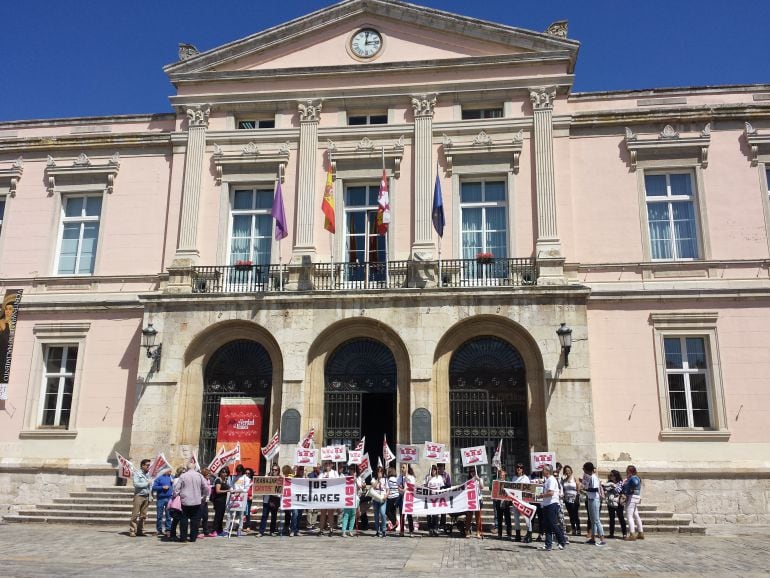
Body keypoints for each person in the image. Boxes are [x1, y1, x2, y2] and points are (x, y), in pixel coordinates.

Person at [176, 463, 209, 542]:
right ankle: (193, 537)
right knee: (195, 520)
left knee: (184, 520)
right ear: (194, 468)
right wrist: (204, 496)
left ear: (187, 468)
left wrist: (176, 495)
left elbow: (177, 488)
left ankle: (183, 538)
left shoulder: (183, 476)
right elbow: (206, 487)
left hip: (185, 501)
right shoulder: (199, 476)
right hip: (196, 501)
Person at [539, 464, 567, 551]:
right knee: (547, 525)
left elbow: (550, 493)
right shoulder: (547, 480)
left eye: (543, 469)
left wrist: (542, 496)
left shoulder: (551, 480)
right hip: (547, 504)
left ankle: (562, 541)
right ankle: (548, 544)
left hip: (552, 504)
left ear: (547, 471)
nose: (542, 471)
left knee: (553, 524)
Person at [582, 462, 606, 546]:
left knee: (596, 520)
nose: (583, 470)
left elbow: (595, 489)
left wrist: (586, 489)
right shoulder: (589, 477)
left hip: (595, 499)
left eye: (584, 468)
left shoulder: (593, 477)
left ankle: (602, 539)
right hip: (590, 498)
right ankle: (593, 538)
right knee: (592, 519)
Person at [129, 458, 152, 537]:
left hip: (146, 496)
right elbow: (136, 484)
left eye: (149, 465)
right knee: (135, 514)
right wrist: (146, 483)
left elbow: (150, 486)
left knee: (143, 515)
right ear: (142, 465)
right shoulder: (137, 474)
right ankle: (132, 530)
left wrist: (151, 495)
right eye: (147, 465)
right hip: (139, 496)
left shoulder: (148, 474)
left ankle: (140, 530)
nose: (149, 467)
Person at [622, 465, 644, 541]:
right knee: (636, 515)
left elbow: (634, 483)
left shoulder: (633, 478)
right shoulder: (637, 477)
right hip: (636, 497)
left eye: (627, 471)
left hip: (632, 497)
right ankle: (641, 532)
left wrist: (627, 484)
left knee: (629, 516)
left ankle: (632, 534)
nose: (626, 472)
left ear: (630, 471)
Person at [511, 463, 532, 543]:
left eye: (520, 467)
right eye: (517, 467)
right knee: (516, 519)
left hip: (524, 501)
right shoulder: (514, 478)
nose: (519, 469)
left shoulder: (526, 478)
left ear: (523, 469)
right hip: (515, 501)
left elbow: (528, 489)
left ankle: (529, 535)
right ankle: (518, 535)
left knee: (527, 519)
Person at [604, 469, 627, 539]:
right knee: (611, 518)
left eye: (611, 475)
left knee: (621, 517)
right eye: (609, 475)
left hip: (618, 502)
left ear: (615, 476)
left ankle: (624, 534)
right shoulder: (609, 482)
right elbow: (606, 489)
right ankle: (611, 533)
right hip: (611, 502)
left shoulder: (620, 482)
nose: (610, 476)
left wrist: (612, 486)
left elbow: (618, 490)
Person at [318, 461, 340, 536]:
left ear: (332, 465)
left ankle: (331, 529)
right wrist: (326, 475)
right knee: (323, 513)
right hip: (324, 496)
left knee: (331, 514)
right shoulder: (321, 474)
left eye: (329, 464)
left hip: (331, 495)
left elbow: (338, 482)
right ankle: (321, 530)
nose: (328, 465)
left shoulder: (335, 473)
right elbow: (317, 482)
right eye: (326, 464)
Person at [259, 464, 281, 536]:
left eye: (275, 470)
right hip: (266, 499)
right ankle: (261, 532)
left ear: (278, 471)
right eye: (273, 470)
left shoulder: (280, 479)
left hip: (275, 500)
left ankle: (272, 531)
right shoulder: (267, 477)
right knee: (264, 516)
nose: (274, 471)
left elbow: (280, 491)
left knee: (274, 516)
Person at [151, 467, 173, 537]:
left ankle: (168, 530)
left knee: (168, 515)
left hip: (169, 498)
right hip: (160, 499)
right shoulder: (159, 478)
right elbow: (154, 487)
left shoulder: (172, 478)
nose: (170, 472)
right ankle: (159, 530)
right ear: (165, 471)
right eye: (169, 470)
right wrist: (162, 487)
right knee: (159, 515)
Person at [464, 467, 484, 539]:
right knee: (469, 516)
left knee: (477, 517)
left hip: (478, 500)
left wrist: (478, 480)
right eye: (471, 471)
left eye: (474, 471)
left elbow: (482, 487)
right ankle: (467, 531)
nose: (472, 473)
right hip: (471, 500)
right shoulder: (468, 480)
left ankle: (478, 532)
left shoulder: (479, 479)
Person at [340, 464, 360, 537]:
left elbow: (359, 488)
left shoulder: (358, 478)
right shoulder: (346, 477)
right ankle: (344, 531)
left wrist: (356, 480)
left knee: (353, 515)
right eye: (350, 469)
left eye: (353, 469)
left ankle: (350, 530)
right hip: (348, 498)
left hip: (355, 498)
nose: (351, 471)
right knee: (346, 515)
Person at [561, 465, 581, 536]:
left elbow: (578, 487)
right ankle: (573, 528)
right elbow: (563, 489)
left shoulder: (575, 478)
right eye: (566, 471)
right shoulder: (564, 480)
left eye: (568, 470)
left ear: (571, 470)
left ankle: (578, 528)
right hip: (567, 499)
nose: (567, 472)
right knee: (570, 515)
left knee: (575, 514)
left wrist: (577, 496)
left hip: (574, 499)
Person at [493, 468, 512, 540]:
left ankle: (509, 534)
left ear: (505, 476)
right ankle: (499, 534)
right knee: (499, 519)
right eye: (501, 475)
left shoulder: (508, 483)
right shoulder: (496, 483)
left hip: (506, 503)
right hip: (499, 503)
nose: (501, 476)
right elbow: (492, 491)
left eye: (503, 475)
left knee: (508, 519)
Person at [211, 467, 231, 536]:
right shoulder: (218, 480)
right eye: (223, 472)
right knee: (218, 516)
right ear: (220, 473)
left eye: (226, 472)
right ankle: (214, 530)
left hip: (224, 500)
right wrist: (227, 490)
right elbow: (218, 491)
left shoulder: (225, 480)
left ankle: (219, 530)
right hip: (218, 500)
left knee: (221, 516)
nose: (224, 474)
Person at [425, 465, 444, 537]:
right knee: (429, 514)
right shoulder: (427, 477)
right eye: (432, 470)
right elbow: (424, 487)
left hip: (437, 498)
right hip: (429, 498)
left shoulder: (439, 477)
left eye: (434, 470)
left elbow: (442, 487)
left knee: (436, 514)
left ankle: (435, 528)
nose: (433, 471)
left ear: (436, 470)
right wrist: (428, 481)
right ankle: (430, 529)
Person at [282, 465, 299, 536]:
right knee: (288, 514)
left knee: (295, 514)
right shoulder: (283, 478)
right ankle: (287, 528)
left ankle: (292, 529)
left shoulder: (293, 477)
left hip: (294, 499)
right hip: (286, 498)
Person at [371, 466, 388, 537]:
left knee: (383, 513)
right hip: (375, 499)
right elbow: (373, 487)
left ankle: (383, 530)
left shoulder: (385, 480)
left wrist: (386, 496)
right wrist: (378, 479)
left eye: (381, 471)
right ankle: (377, 531)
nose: (379, 472)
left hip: (383, 499)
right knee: (376, 516)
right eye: (378, 471)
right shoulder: (373, 479)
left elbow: (388, 490)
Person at [398, 464, 415, 537]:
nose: (402, 469)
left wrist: (407, 479)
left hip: (409, 498)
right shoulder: (400, 477)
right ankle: (402, 531)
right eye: (401, 467)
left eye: (403, 467)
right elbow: (399, 487)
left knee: (409, 515)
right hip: (402, 497)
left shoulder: (411, 477)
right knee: (402, 514)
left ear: (407, 468)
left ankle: (411, 531)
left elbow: (413, 486)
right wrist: (401, 490)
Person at [437, 462, 452, 534]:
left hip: (444, 495)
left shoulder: (446, 475)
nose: (440, 468)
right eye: (439, 466)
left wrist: (442, 488)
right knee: (435, 511)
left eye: (441, 466)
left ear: (444, 467)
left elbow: (449, 485)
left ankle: (442, 525)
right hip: (435, 496)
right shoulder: (434, 475)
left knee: (443, 511)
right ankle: (435, 525)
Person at [385, 465, 400, 534]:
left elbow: (388, 488)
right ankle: (394, 527)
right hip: (397, 497)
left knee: (387, 511)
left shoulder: (389, 480)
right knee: (393, 511)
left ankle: (395, 522)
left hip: (391, 497)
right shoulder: (397, 479)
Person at [199, 467, 213, 537]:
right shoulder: (202, 481)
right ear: (204, 475)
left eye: (209, 474)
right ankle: (197, 532)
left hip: (206, 500)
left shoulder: (208, 480)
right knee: (199, 516)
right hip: (201, 500)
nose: (209, 475)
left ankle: (206, 531)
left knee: (205, 516)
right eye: (208, 474)